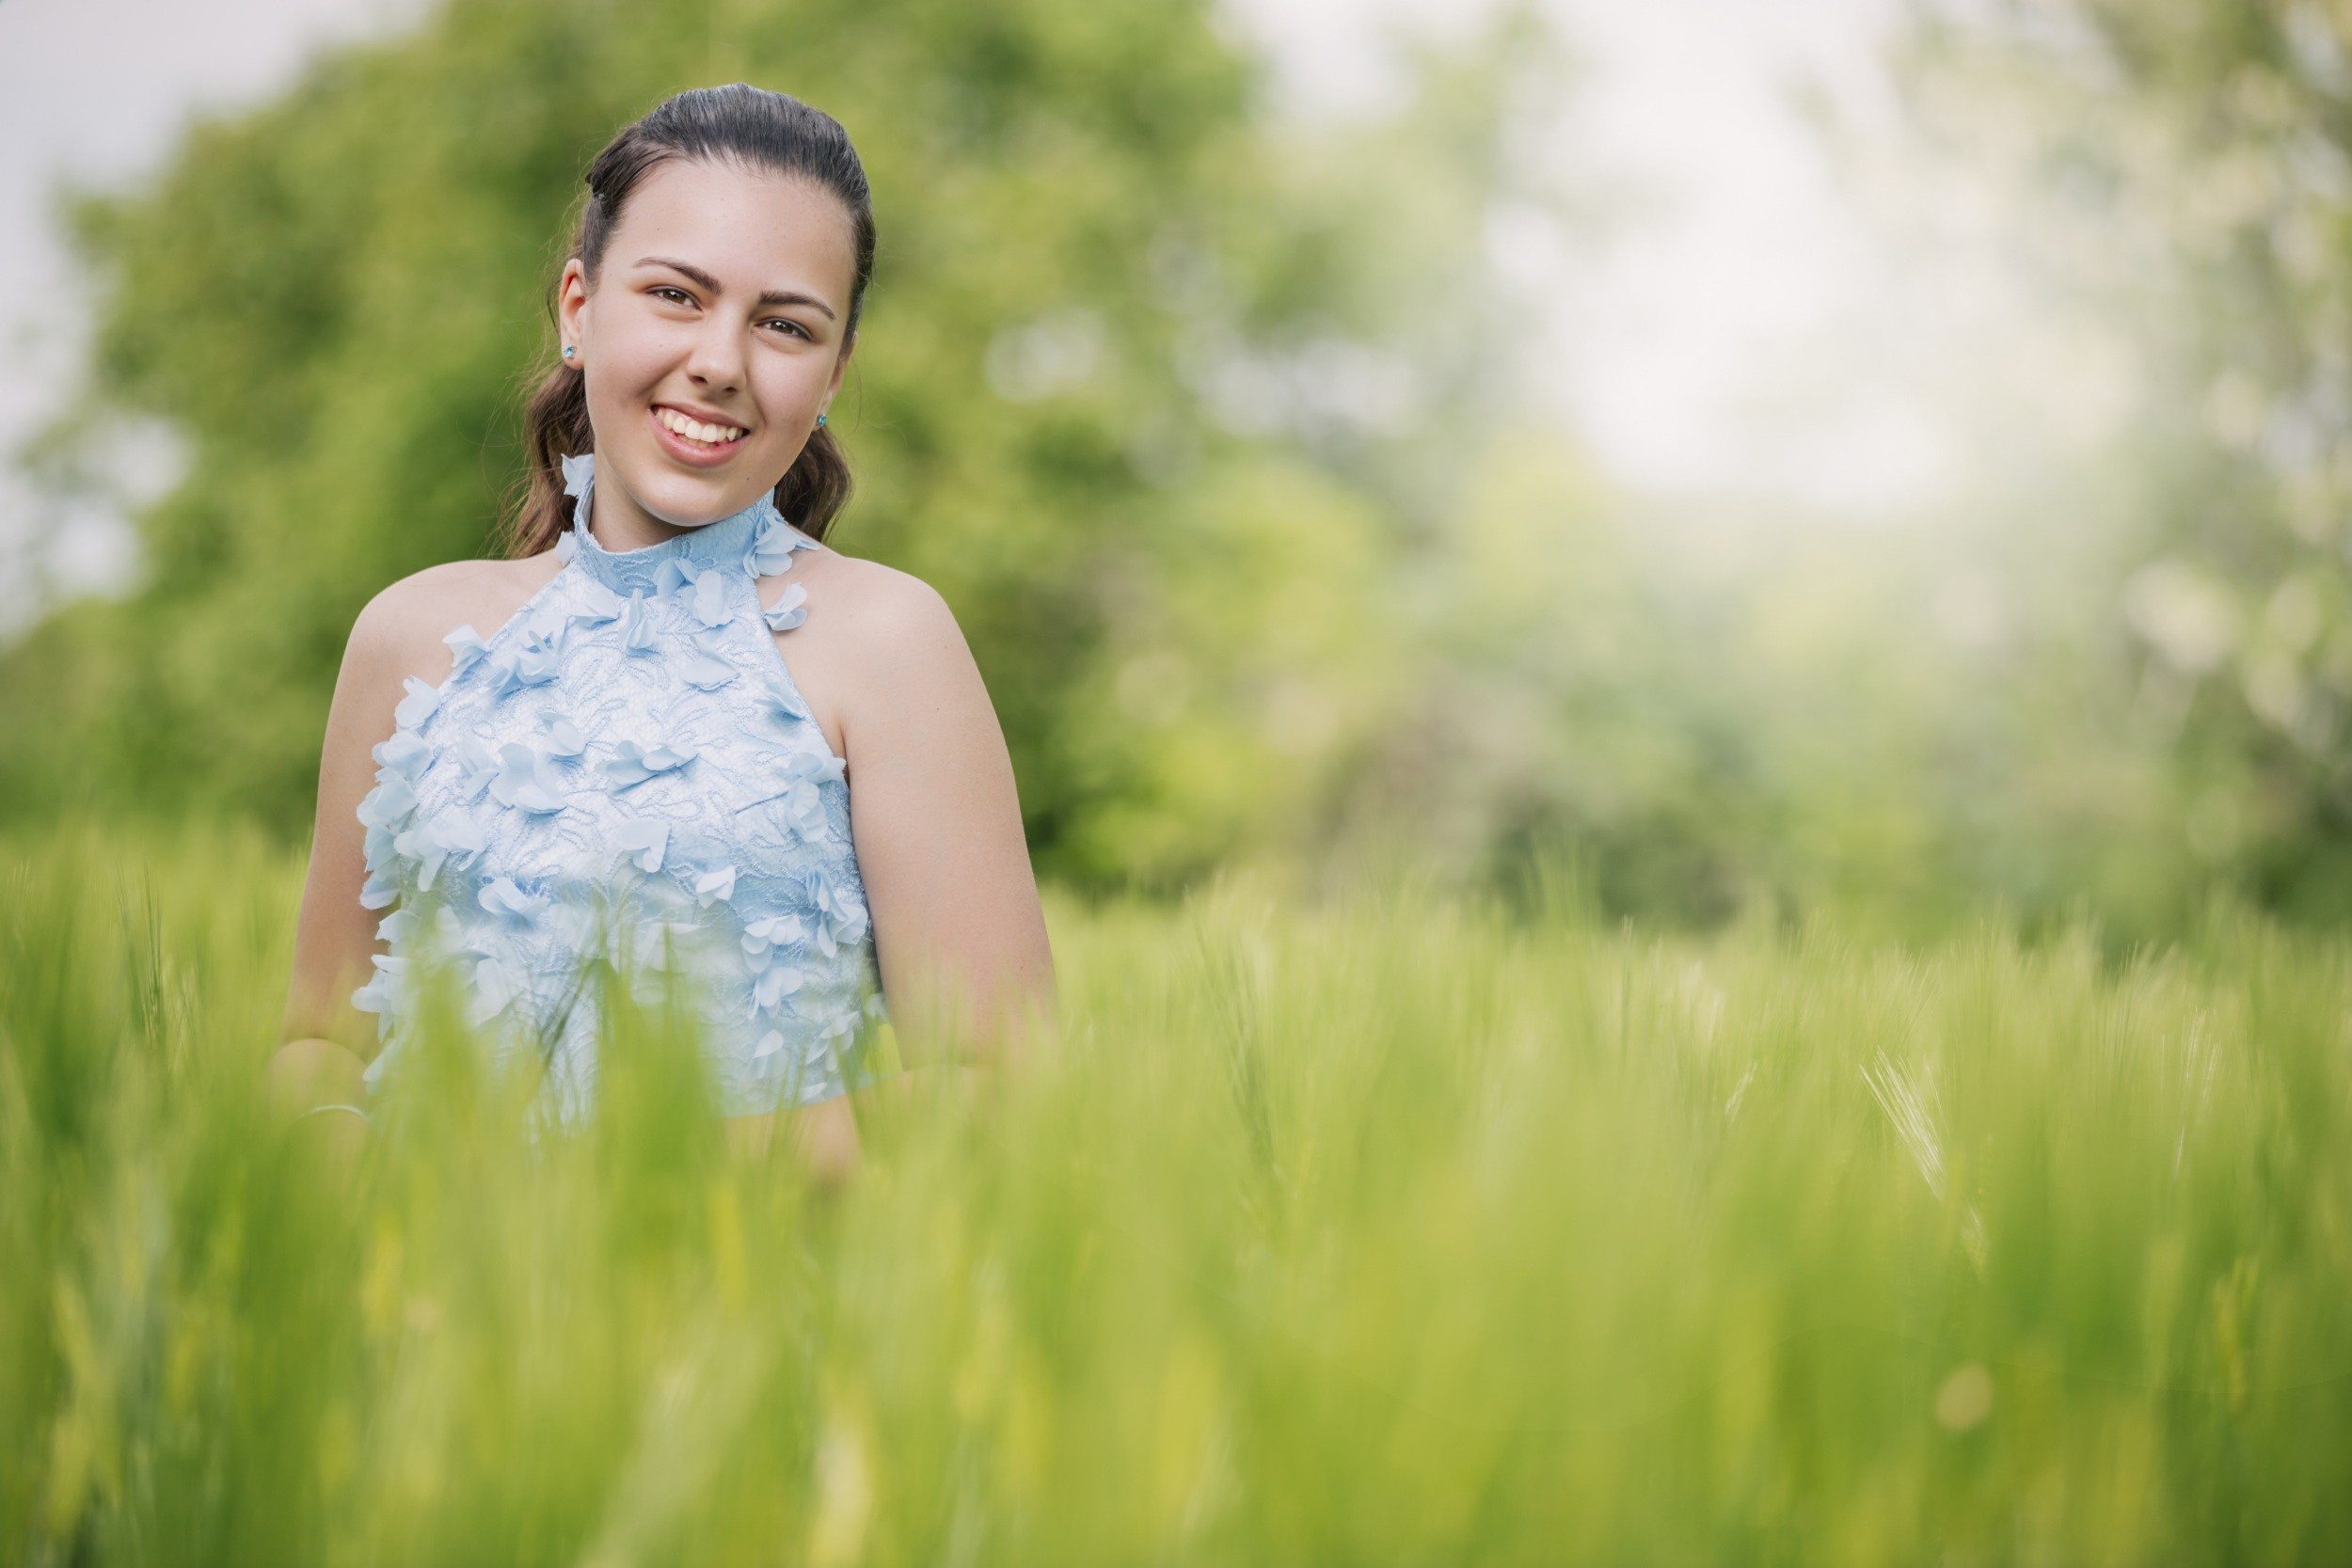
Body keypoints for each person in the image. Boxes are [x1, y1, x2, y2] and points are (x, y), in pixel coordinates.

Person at [267, 84, 1056, 1180]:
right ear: (579, 308)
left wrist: (603, 1181)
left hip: (745, 1324)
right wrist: (341, 1166)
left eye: (784, 324)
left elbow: (998, 1085)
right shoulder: (408, 636)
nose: (722, 361)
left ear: (834, 372)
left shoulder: (887, 642)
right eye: (677, 295)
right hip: (417, 1316)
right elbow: (319, 1038)